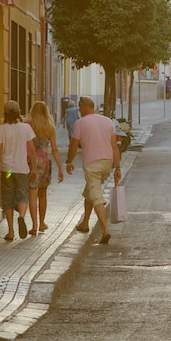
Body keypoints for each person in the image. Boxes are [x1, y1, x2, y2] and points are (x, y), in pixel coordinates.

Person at [65, 96, 121, 244]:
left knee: (96, 196)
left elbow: (73, 144)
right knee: (89, 191)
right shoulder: (107, 121)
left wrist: (69, 161)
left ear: (84, 106)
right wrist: (117, 167)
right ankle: (85, 223)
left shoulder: (80, 123)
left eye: (79, 107)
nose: (79, 110)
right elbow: (114, 146)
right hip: (107, 164)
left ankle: (105, 230)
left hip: (92, 165)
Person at [0, 100, 37, 241]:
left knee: (8, 197)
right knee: (22, 195)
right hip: (21, 169)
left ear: (5, 113)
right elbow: (32, 149)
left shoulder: (1, 129)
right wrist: (34, 168)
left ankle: (11, 232)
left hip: (8, 170)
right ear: (19, 112)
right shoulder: (25, 128)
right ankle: (22, 217)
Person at [26, 101, 64, 235]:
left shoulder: (28, 125)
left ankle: (34, 225)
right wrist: (60, 168)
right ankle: (42, 223)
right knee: (43, 194)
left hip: (31, 163)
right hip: (46, 163)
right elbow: (54, 149)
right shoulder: (50, 127)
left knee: (32, 193)